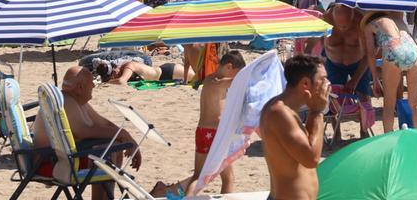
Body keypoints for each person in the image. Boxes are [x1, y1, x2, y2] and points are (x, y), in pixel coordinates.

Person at [32, 66, 141, 198]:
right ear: (80, 87)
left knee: (112, 147)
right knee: (105, 152)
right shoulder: (67, 103)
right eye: (91, 83)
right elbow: (84, 132)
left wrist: (127, 138)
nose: (94, 86)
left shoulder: (76, 101)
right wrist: (123, 136)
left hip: (59, 158)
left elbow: (104, 124)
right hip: (52, 163)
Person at [260, 54, 330, 200]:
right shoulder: (278, 113)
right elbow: (311, 159)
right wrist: (317, 112)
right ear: (305, 83)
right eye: (322, 79)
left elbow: (308, 144)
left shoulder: (289, 111)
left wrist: (314, 111)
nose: (327, 84)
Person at [186, 50, 246, 195]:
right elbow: (242, 80)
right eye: (236, 73)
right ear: (229, 67)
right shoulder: (219, 83)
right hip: (216, 133)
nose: (236, 77)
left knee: (198, 176)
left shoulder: (208, 80)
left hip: (202, 132)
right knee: (228, 178)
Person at [361, 10, 417, 132]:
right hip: (413, 52)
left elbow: (370, 54)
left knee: (389, 103)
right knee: (415, 103)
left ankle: (389, 138)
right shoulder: (398, 20)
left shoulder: (370, 26)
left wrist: (374, 78)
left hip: (393, 52)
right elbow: (413, 42)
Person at [92, 57, 192, 85]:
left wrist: (107, 82)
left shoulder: (128, 66)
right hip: (165, 73)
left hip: (168, 72)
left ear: (114, 69)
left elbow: (122, 81)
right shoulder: (123, 69)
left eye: (113, 74)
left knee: (201, 76)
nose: (114, 76)